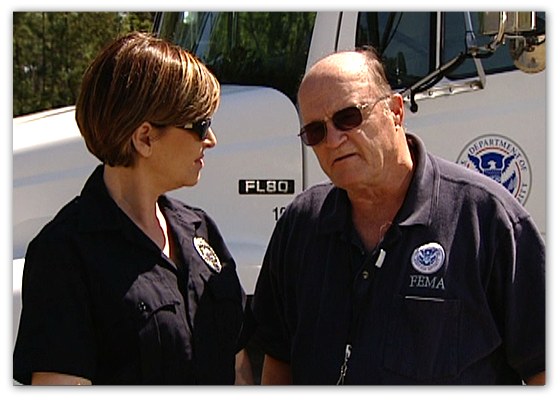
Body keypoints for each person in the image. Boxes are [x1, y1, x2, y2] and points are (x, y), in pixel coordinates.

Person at [251, 47, 546, 385]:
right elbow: (278, 362)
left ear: (394, 111)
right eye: (315, 132)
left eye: (348, 117)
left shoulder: (487, 220)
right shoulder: (300, 225)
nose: (333, 140)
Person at [13, 32, 253, 385]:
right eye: (200, 125)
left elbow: (238, 367)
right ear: (144, 137)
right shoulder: (65, 255)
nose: (211, 139)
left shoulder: (200, 232)